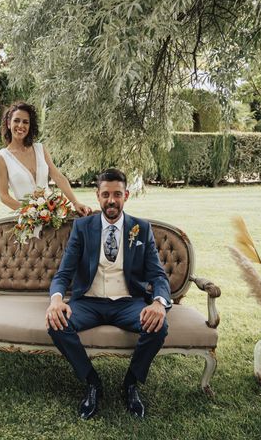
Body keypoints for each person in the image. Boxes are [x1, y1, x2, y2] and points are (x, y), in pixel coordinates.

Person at [45, 168, 171, 420]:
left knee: (159, 326)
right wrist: (56, 300)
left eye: (116, 194)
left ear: (126, 195)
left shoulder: (141, 229)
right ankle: (92, 382)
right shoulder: (82, 227)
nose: (111, 200)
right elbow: (63, 274)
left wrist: (158, 302)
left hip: (128, 303)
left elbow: (158, 276)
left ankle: (131, 383)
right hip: (88, 303)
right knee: (56, 324)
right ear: (97, 195)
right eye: (105, 195)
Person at [0, 102, 91, 215]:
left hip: (53, 213)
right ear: (9, 124)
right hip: (28, 220)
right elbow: (4, 196)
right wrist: (30, 212)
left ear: (30, 127)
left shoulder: (40, 149)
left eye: (25, 122)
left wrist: (75, 202)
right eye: (16, 120)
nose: (21, 125)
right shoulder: (1, 158)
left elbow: (58, 176)